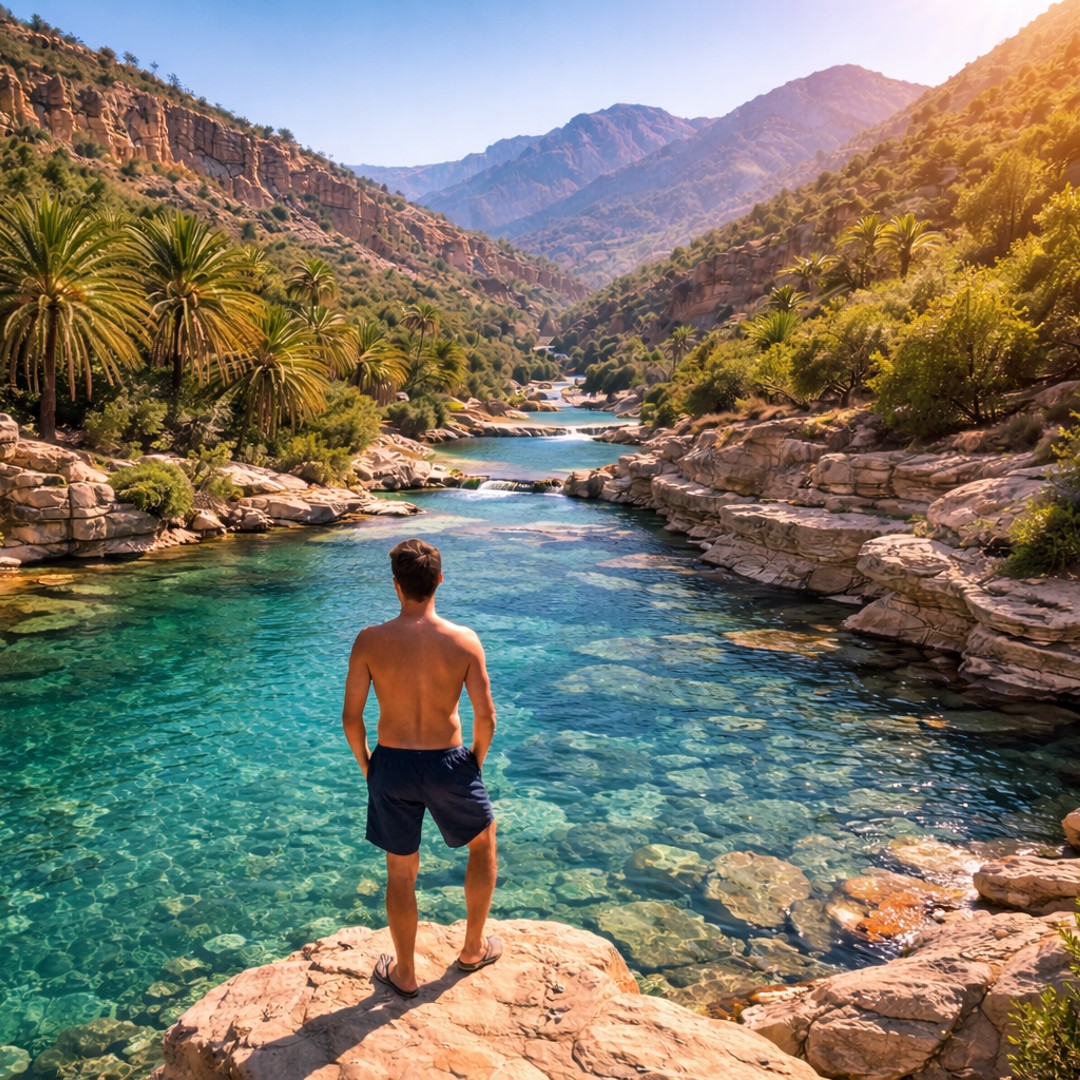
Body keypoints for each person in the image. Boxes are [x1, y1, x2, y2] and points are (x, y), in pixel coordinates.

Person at [342, 538, 500, 998]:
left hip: (391, 762)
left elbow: (351, 718)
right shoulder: (463, 639)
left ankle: (405, 973)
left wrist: (368, 766)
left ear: (396, 586)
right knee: (482, 844)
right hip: (451, 762)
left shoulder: (370, 639)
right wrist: (474, 763)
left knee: (400, 871)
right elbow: (486, 717)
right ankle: (473, 949)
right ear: (440, 582)